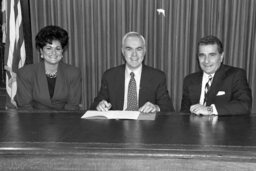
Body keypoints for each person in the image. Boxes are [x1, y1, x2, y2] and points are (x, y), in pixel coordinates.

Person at [90, 32, 174, 113]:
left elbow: (168, 108)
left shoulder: (157, 77)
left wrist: (156, 107)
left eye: (139, 49)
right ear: (123, 51)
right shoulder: (110, 76)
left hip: (145, 125)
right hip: (117, 125)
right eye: (129, 49)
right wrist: (100, 105)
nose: (134, 54)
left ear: (144, 51)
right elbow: (95, 105)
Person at [180, 35, 252, 115]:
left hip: (224, 126)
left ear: (221, 57)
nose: (206, 61)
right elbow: (184, 114)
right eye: (202, 55)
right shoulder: (189, 80)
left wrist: (209, 110)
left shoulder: (235, 75)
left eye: (212, 55)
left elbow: (244, 105)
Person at [15, 25, 81, 110]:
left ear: (62, 51)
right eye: (49, 48)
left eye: (58, 49)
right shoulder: (25, 73)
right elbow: (25, 106)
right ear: (41, 51)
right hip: (34, 119)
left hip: (65, 119)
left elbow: (72, 106)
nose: (53, 53)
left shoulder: (73, 73)